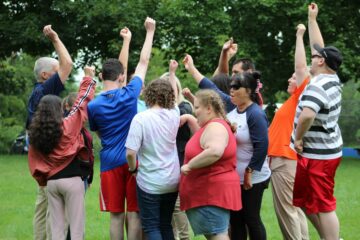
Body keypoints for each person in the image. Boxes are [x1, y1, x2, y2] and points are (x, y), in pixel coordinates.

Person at [87, 18, 155, 240]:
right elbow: (143, 61)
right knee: (134, 213)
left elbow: (98, 132)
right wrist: (149, 32)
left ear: (100, 77)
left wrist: (126, 42)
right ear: (122, 78)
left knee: (116, 215)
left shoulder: (93, 105)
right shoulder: (129, 94)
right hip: (134, 161)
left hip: (109, 163)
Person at [291, 3, 343, 240]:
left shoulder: (318, 86)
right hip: (318, 153)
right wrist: (312, 20)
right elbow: (319, 47)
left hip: (318, 156)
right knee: (303, 200)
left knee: (324, 204)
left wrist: (298, 138)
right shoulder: (331, 77)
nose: (312, 60)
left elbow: (308, 115)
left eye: (314, 57)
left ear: (321, 61)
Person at [28, 66, 96, 240]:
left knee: (56, 229)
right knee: (76, 229)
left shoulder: (35, 134)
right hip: (72, 182)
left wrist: (43, 180)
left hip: (51, 183)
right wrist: (88, 77)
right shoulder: (68, 124)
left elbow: (33, 163)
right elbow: (82, 101)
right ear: (59, 108)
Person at [26, 25, 73, 240]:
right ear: (46, 75)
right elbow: (68, 64)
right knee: (50, 206)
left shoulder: (35, 94)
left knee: (42, 203)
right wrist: (55, 38)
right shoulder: (46, 89)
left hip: (37, 155)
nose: (59, 77)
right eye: (55, 73)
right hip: (50, 158)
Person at [125, 60, 181, 240]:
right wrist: (172, 73)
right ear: (169, 96)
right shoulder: (174, 114)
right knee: (165, 224)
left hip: (149, 182)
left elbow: (130, 153)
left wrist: (133, 169)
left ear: (148, 95)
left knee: (151, 226)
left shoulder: (141, 119)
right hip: (172, 180)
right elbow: (174, 96)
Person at [179, 89, 241, 240]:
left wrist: (189, 165)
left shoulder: (216, 127)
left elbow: (215, 151)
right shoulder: (212, 125)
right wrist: (190, 118)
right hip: (208, 194)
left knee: (218, 236)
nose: (195, 111)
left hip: (210, 193)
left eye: (197, 107)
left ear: (209, 108)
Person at [268, 24, 310, 240]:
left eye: (293, 77)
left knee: (286, 211)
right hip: (283, 159)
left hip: (285, 159)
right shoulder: (292, 101)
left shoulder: (302, 96)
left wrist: (300, 36)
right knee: (295, 209)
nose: (290, 79)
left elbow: (302, 67)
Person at [226, 72, 270, 240]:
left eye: (236, 87)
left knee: (251, 218)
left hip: (253, 179)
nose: (231, 90)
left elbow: (262, 146)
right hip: (234, 178)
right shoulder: (232, 111)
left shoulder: (255, 114)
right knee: (236, 220)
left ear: (249, 91)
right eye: (231, 86)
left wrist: (249, 171)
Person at [160, 72, 192, 240]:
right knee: (169, 207)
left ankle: (184, 237)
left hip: (179, 161)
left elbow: (184, 137)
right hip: (167, 162)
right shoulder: (162, 111)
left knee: (178, 206)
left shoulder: (184, 108)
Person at [183, 54, 263, 113]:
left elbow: (212, 88)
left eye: (236, 72)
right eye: (232, 73)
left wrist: (191, 68)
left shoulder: (249, 108)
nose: (232, 76)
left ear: (249, 72)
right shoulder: (239, 104)